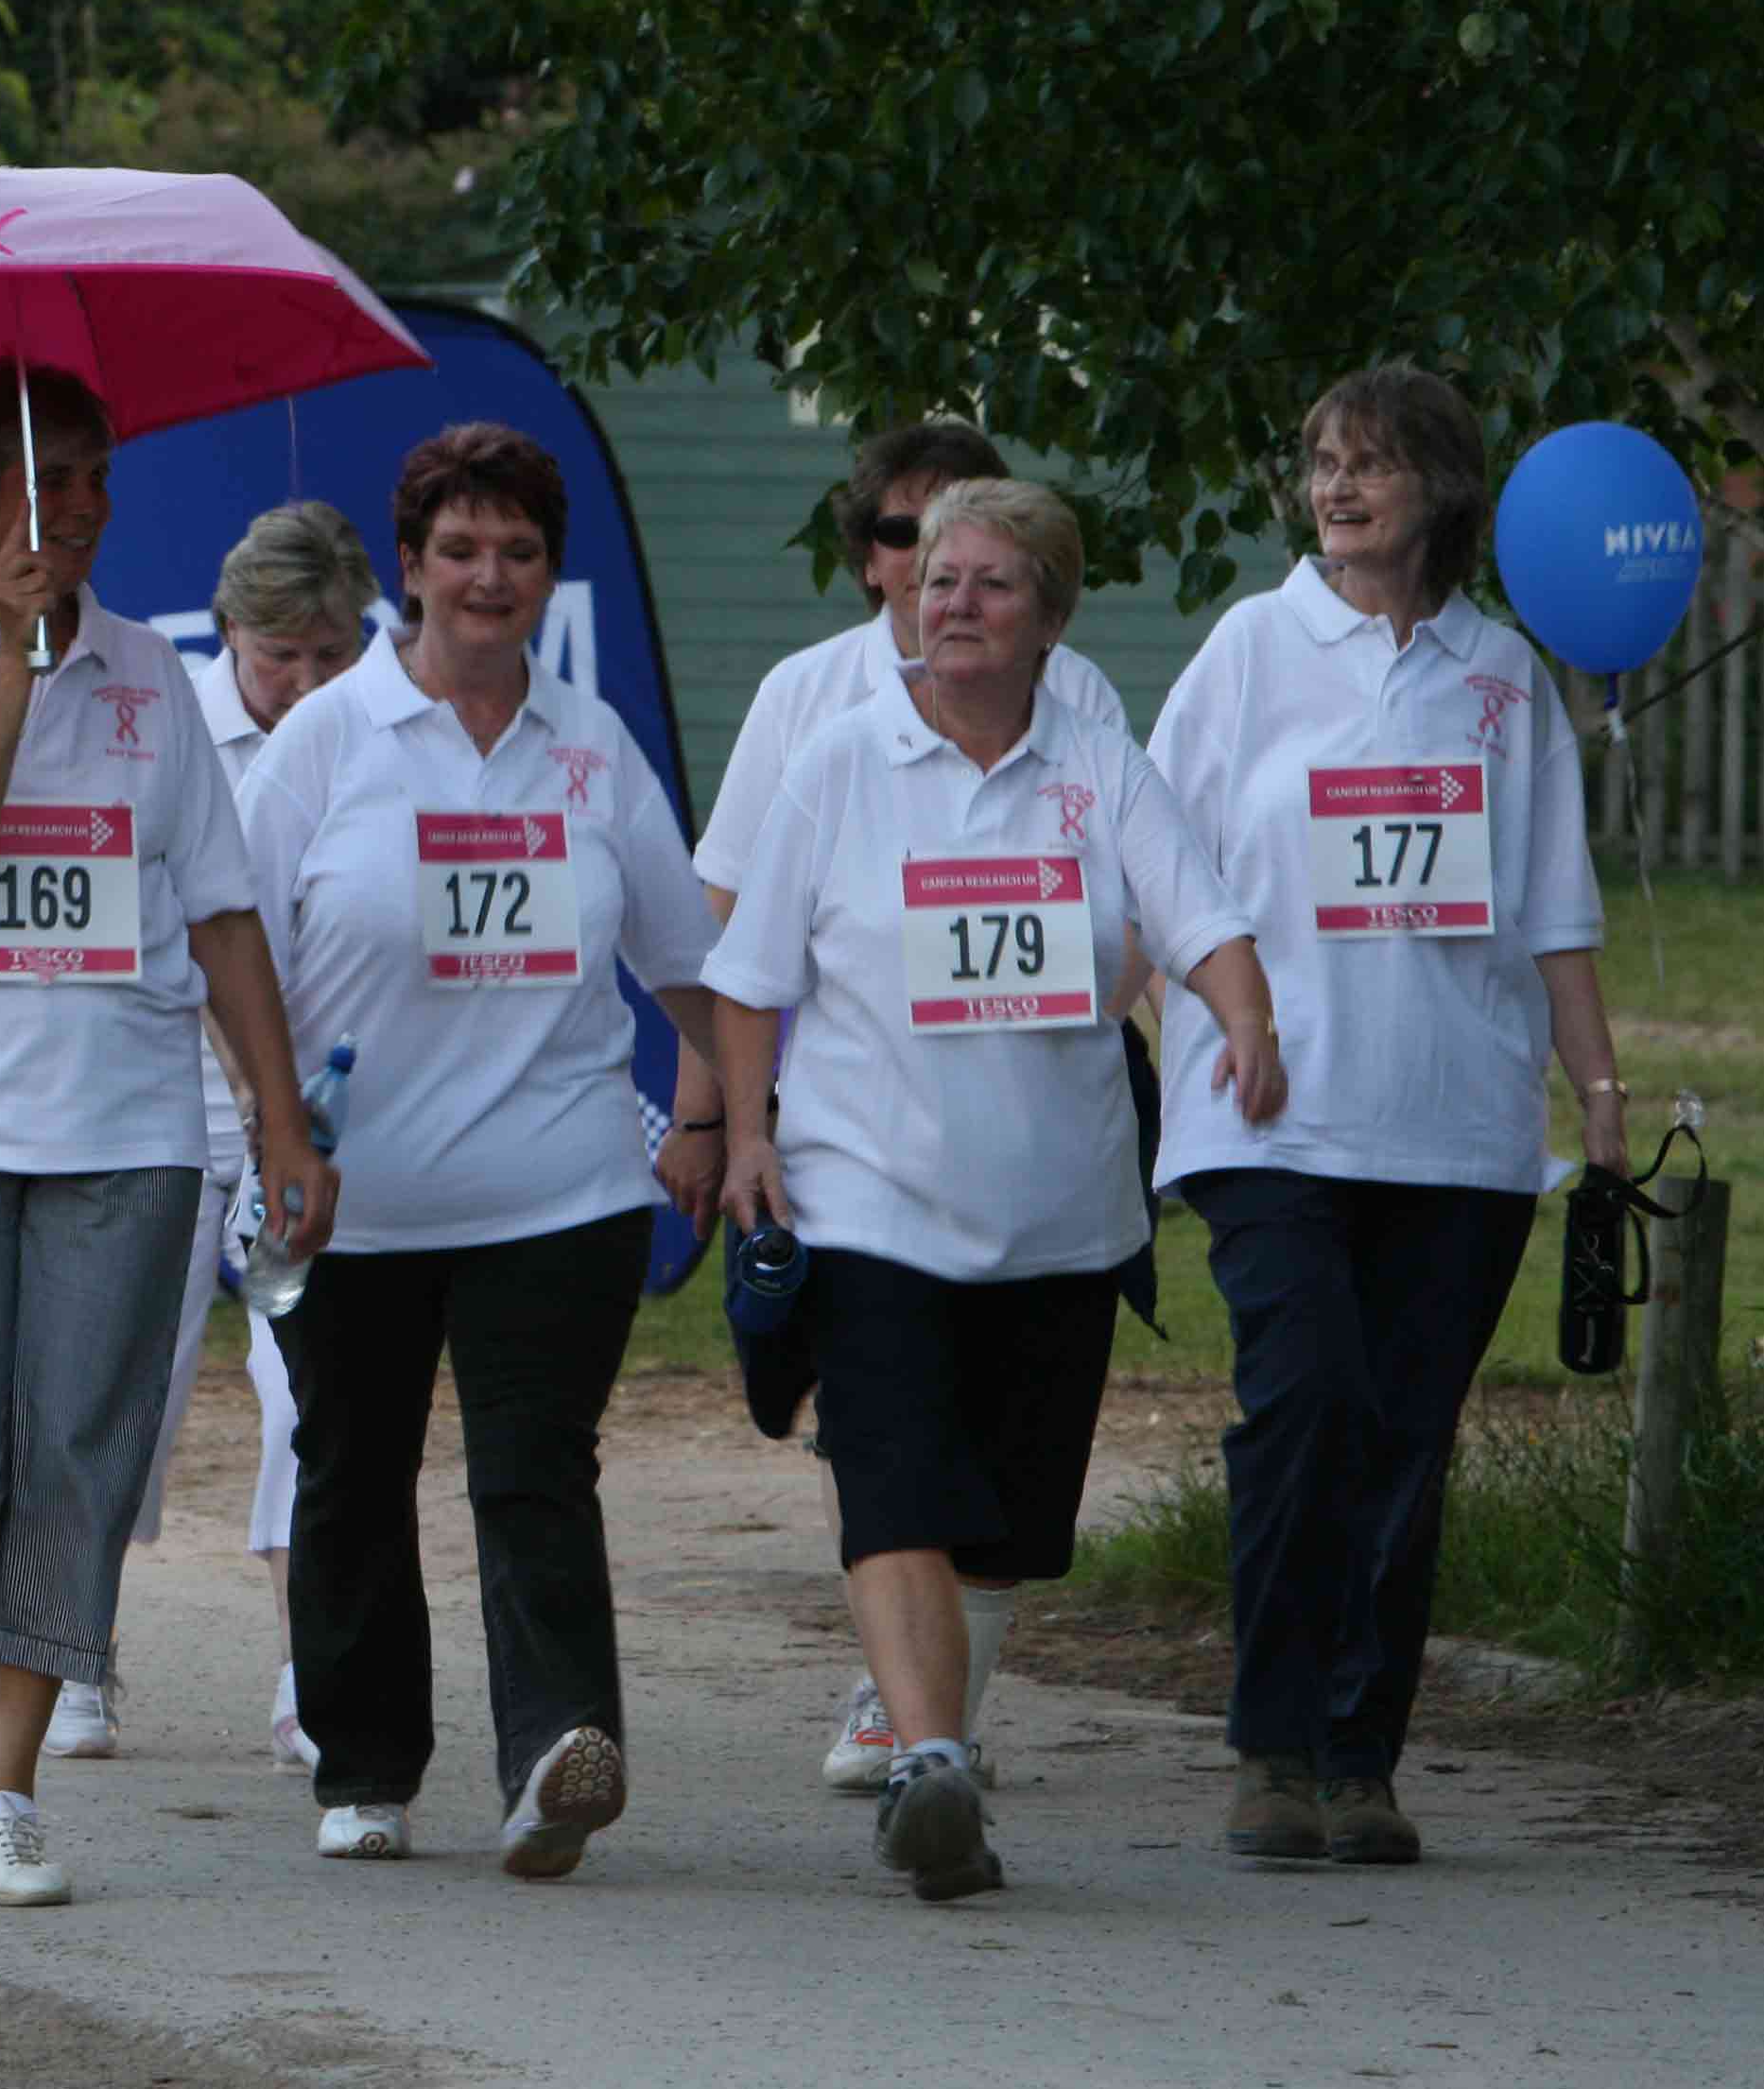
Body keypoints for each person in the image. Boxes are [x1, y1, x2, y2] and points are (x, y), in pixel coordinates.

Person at [707, 478, 1283, 1901]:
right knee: (892, 1469)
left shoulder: (1095, 765)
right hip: (869, 1195)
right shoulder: (839, 760)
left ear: (1050, 620)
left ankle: (938, 1739)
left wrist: (1246, 1017)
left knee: (1010, 1515)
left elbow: (1198, 909)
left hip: (1060, 1213)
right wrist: (746, 1133)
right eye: (938, 578)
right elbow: (748, 973)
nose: (953, 602)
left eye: (991, 584)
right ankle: (927, 1760)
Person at [0, 366, 334, 1910]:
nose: (85, 513)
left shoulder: (153, 679)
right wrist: (9, 669)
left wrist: (280, 1117)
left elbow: (221, 907)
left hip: (125, 1122)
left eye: (96, 483)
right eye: (51, 490)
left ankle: (2, 1786)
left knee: (75, 1461)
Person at [1147, 364, 1624, 1868]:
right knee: (1309, 1405)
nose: (1338, 489)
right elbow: (1156, 869)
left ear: (1441, 490)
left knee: (1405, 1438)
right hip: (1270, 1116)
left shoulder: (1502, 679)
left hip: (1457, 1127)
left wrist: (1599, 1101)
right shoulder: (1247, 649)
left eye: (1371, 465)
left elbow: (1553, 914)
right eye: (1320, 463)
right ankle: (1271, 1742)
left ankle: (1362, 1758)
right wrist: (1221, 1017)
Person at [238, 425, 723, 1876]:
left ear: (547, 570)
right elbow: (236, 956)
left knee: (535, 1471)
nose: (488, 576)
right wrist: (274, 1131)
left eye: (516, 551)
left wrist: (728, 1114)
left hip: (556, 1182)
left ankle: (557, 1757)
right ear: (409, 567)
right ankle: (364, 1761)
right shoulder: (327, 741)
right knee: (350, 1471)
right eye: (459, 550)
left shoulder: (590, 747)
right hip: (353, 1193)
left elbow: (689, 963)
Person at [680, 418, 1140, 1795]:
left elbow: (1140, 889)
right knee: (885, 1426)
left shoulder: (1085, 708)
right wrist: (716, 1120)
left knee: (991, 1464)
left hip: (1036, 1129)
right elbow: (731, 924)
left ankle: (931, 1710)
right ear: (872, 558)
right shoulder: (808, 706)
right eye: (906, 541)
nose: (936, 578)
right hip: (851, 1130)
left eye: (974, 557)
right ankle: (920, 1726)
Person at [43, 499, 375, 1767]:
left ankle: (312, 1674)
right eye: (278, 654)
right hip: (163, 1094)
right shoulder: (163, 719)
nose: (301, 682)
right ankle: (72, 1648)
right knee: (122, 1379)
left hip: (326, 1111)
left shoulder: (380, 741)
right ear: (228, 629)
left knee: (315, 1400)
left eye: (329, 654)